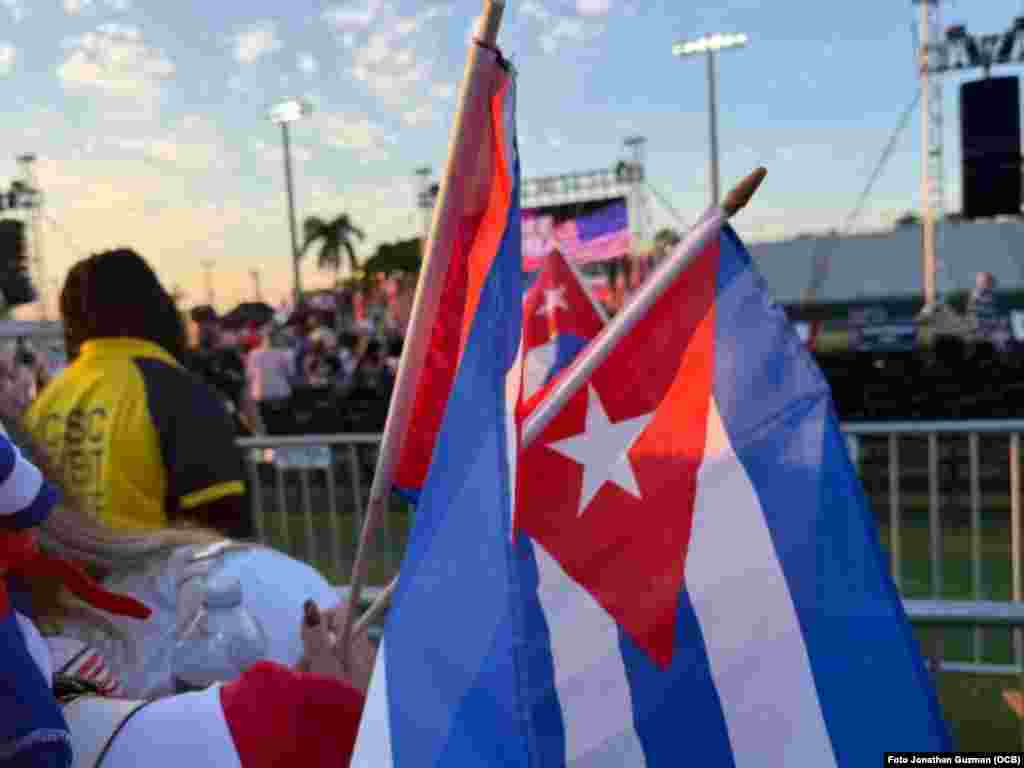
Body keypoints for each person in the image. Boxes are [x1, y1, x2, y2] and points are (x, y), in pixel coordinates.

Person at [22, 249, 252, 539]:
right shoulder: (174, 391)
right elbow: (221, 524)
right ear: (155, 306)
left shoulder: (45, 403)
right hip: (156, 578)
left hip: (65, 581)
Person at [245, 328, 295, 435]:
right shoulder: (284, 354)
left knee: (265, 426)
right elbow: (290, 374)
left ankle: (268, 449)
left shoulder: (253, 354)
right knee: (281, 425)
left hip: (261, 394)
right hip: (281, 393)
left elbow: (249, 376)